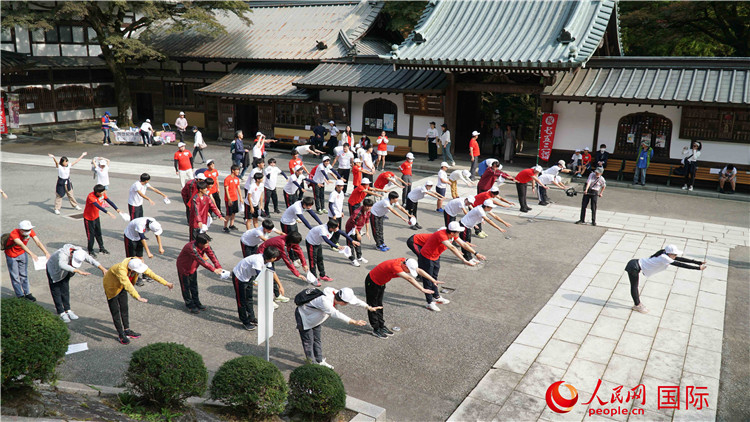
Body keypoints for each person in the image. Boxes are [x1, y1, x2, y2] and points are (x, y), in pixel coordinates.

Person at [296, 286, 374, 367]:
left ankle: (319, 360)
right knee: (308, 341)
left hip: (314, 318)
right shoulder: (325, 301)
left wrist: (368, 307)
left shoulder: (335, 292)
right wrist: (354, 321)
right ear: (343, 302)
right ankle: (312, 364)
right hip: (304, 317)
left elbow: (355, 300)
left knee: (317, 339)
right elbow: (336, 314)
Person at [104, 257, 173, 344]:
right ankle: (121, 334)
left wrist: (166, 283)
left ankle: (126, 330)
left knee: (124, 307)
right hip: (112, 287)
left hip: (122, 286)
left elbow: (151, 274)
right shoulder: (121, 270)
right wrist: (137, 296)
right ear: (131, 269)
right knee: (115, 311)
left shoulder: (135, 261)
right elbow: (127, 284)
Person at [366, 258, 439, 338]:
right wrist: (422, 289)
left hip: (381, 282)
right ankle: (376, 329)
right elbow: (409, 278)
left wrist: (433, 280)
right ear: (405, 266)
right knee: (373, 305)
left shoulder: (406, 261)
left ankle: (381, 326)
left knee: (379, 304)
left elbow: (419, 270)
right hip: (372, 282)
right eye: (409, 271)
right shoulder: (395, 266)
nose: (409, 273)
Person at [418, 222, 482, 311]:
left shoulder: (452, 234)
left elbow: (463, 244)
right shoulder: (441, 235)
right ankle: (429, 302)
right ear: (452, 232)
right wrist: (464, 260)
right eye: (458, 232)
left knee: (435, 277)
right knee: (428, 280)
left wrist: (476, 253)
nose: (458, 234)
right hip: (426, 258)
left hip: (435, 257)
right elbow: (452, 248)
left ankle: (436, 297)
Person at [625, 245, 706, 313]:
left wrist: (697, 262)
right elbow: (680, 264)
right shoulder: (664, 257)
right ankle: (637, 305)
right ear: (669, 253)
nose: (676, 256)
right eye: (674, 254)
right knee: (634, 286)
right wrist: (698, 268)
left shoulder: (665, 254)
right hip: (633, 267)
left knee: (635, 286)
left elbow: (680, 259)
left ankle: (637, 304)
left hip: (635, 264)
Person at [46, 244, 105, 322]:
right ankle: (61, 312)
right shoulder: (62, 254)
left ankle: (68, 309)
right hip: (54, 270)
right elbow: (61, 264)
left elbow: (91, 260)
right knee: (56, 291)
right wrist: (78, 271)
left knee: (65, 289)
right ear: (71, 254)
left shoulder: (80, 252)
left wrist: (103, 269)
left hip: (66, 271)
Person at [232, 247, 281, 331]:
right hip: (239, 277)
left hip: (249, 277)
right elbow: (261, 278)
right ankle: (245, 321)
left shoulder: (267, 260)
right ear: (272, 258)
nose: (276, 259)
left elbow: (272, 273)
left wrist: (280, 285)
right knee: (242, 301)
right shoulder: (258, 261)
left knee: (249, 298)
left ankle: (251, 317)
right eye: (275, 258)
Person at [176, 233, 223, 314]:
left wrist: (218, 266)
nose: (208, 245)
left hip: (193, 267)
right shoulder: (191, 248)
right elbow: (201, 260)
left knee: (194, 285)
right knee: (185, 287)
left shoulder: (204, 245)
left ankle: (196, 302)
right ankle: (189, 304)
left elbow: (211, 254)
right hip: (183, 267)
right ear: (200, 243)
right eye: (206, 243)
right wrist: (213, 269)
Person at [4, 220, 50, 301]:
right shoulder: (14, 234)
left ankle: (27, 293)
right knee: (15, 276)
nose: (28, 231)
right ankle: (20, 295)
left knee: (24, 274)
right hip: (12, 255)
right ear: (20, 229)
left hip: (22, 254)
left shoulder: (30, 231)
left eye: (29, 229)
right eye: (26, 230)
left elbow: (38, 242)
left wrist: (46, 252)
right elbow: (21, 244)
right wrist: (31, 254)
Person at [84, 184, 122, 256]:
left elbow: (109, 201)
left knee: (98, 233)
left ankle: (101, 248)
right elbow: (98, 206)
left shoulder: (102, 194)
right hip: (89, 218)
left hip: (96, 217)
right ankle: (90, 250)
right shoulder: (91, 197)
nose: (103, 193)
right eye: (102, 192)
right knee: (91, 235)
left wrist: (117, 209)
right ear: (97, 192)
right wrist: (108, 212)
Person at [344, 198, 373, 266]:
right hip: (351, 229)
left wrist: (367, 231)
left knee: (358, 242)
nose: (369, 208)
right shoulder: (357, 212)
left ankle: (359, 257)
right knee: (350, 244)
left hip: (358, 228)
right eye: (368, 206)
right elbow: (354, 225)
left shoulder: (368, 211)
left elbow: (367, 221)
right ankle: (352, 259)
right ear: (364, 205)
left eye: (370, 206)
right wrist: (358, 234)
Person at [223, 165, 243, 232]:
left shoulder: (237, 179)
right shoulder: (227, 179)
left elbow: (238, 188)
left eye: (238, 170)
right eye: (237, 170)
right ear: (233, 170)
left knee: (234, 213)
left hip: (235, 198)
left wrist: (241, 198)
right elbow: (226, 190)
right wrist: (229, 199)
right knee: (228, 214)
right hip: (229, 199)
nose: (238, 172)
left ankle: (231, 225)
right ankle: (225, 227)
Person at [327, 180, 347, 247]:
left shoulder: (341, 193)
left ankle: (336, 242)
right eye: (340, 186)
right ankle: (333, 244)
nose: (342, 187)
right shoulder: (333, 194)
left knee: (338, 229)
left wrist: (342, 211)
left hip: (339, 214)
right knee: (333, 229)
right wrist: (334, 215)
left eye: (343, 186)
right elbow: (330, 205)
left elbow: (340, 203)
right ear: (336, 186)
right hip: (333, 215)